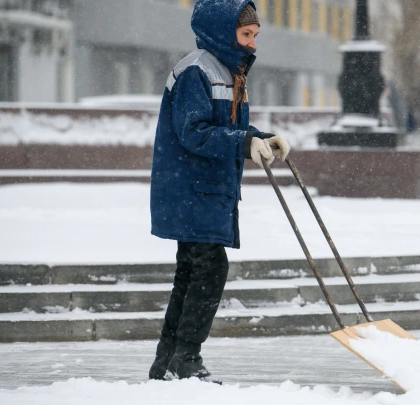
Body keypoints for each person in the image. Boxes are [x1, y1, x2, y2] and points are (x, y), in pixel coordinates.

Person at [147, 0, 290, 381]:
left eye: (255, 36)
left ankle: (168, 361)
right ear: (224, 33)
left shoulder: (227, 71)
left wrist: (260, 138)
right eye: (246, 35)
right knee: (208, 270)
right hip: (191, 187)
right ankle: (186, 359)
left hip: (204, 189)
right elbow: (194, 132)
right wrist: (244, 143)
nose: (253, 44)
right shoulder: (197, 70)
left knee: (192, 271)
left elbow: (226, 125)